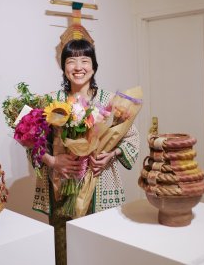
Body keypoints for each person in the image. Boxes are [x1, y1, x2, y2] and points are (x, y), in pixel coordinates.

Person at [30, 35, 140, 265]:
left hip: (100, 184)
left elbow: (130, 136)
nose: (78, 67)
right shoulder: (50, 102)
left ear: (94, 66)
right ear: (63, 67)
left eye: (85, 60)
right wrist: (52, 161)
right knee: (65, 251)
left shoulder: (110, 101)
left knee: (99, 251)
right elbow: (33, 143)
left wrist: (112, 154)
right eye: (71, 60)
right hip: (62, 188)